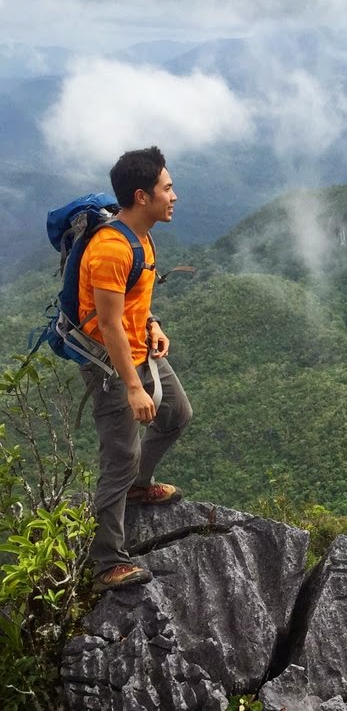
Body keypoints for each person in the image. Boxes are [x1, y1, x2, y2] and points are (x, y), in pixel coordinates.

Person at [80, 146, 192, 592]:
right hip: (110, 363)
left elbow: (132, 302)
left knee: (176, 415)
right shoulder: (111, 248)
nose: (175, 196)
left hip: (140, 347)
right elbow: (107, 324)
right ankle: (106, 561)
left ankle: (137, 487)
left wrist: (152, 323)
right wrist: (132, 387)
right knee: (120, 456)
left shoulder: (141, 236)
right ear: (142, 196)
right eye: (167, 189)